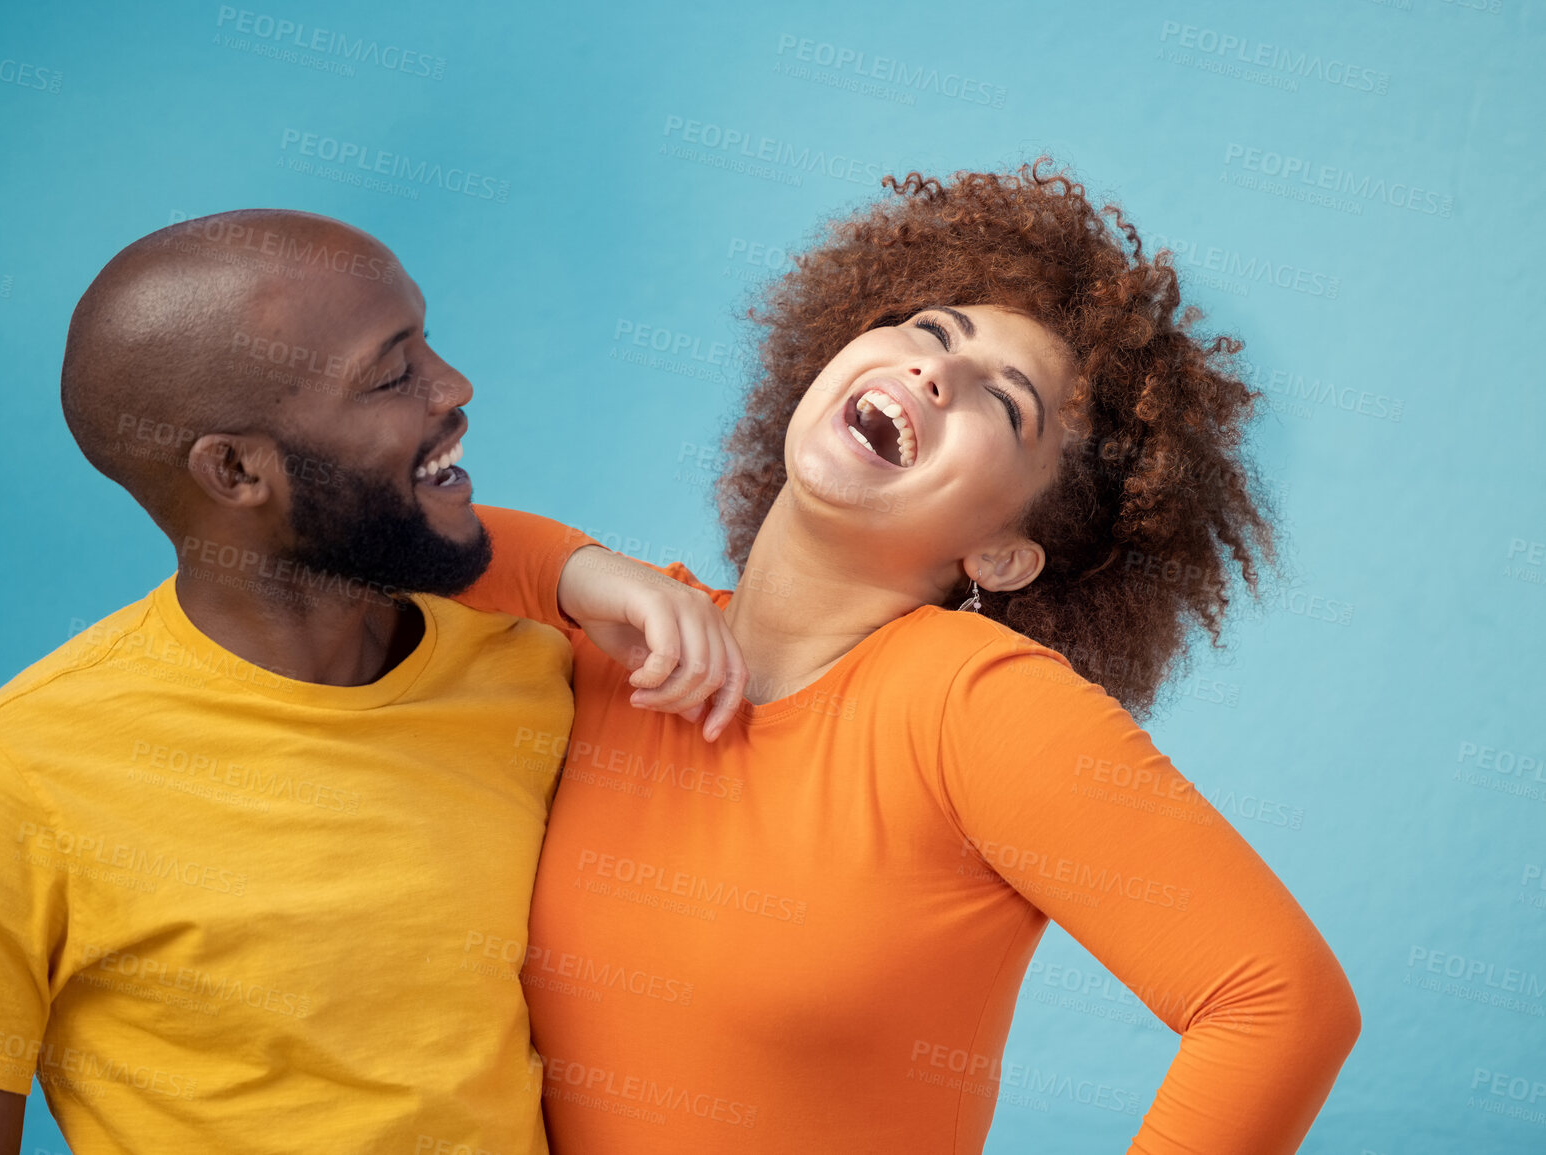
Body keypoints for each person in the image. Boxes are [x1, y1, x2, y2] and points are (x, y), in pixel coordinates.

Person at [458, 162, 1362, 1153]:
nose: (936, 372)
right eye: (930, 333)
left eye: (1004, 404)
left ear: (1005, 551)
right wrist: (574, 571)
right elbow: (329, 551)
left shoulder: (974, 705)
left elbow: (1278, 1002)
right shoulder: (615, 641)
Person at [0, 208, 736, 1155]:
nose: (455, 388)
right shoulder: (13, 769)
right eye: (393, 375)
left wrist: (577, 566)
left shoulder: (534, 665)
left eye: (427, 343)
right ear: (235, 470)